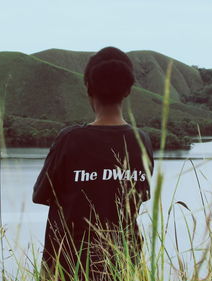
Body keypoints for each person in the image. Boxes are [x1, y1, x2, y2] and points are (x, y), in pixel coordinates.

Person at [32, 46, 154, 280]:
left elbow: (41, 195)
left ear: (88, 88)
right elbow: (141, 196)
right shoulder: (142, 141)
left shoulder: (70, 139)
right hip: (123, 264)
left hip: (67, 266)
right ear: (128, 90)